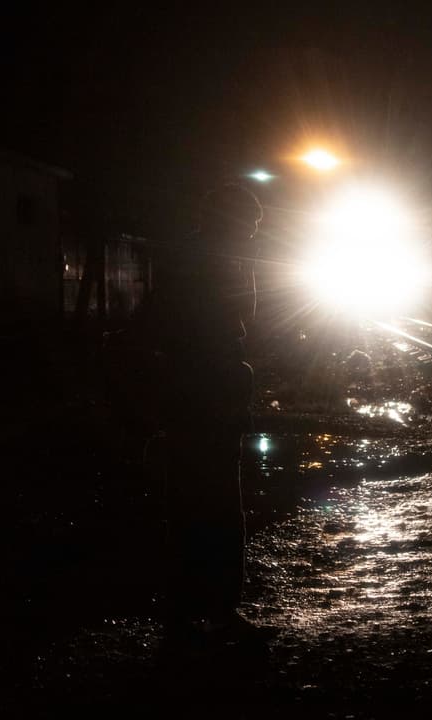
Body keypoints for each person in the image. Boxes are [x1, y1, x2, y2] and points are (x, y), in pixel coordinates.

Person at [126, 183, 266, 648]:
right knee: (218, 507)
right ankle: (215, 611)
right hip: (207, 399)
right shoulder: (215, 263)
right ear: (233, 221)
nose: (252, 234)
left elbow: (156, 324)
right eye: (249, 225)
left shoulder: (193, 258)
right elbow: (237, 322)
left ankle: (186, 613)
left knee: (188, 505)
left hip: (192, 400)